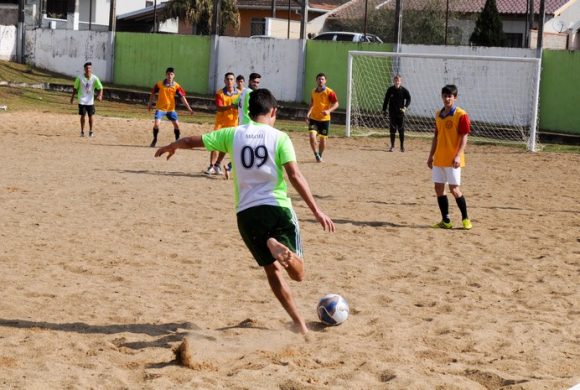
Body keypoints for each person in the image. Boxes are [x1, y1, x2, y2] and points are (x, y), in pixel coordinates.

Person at [155, 89, 335, 335]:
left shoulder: (233, 134)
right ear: (273, 112)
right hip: (277, 207)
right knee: (298, 273)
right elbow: (294, 175)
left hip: (247, 215)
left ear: (249, 112)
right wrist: (316, 210)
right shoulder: (280, 137)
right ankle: (282, 250)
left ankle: (300, 325)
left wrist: (172, 145)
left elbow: (190, 141)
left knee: (272, 271)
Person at [427, 84, 472, 230]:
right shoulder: (438, 114)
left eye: (450, 96)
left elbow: (464, 137)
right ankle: (446, 221)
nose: (447, 98)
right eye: (445, 96)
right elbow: (436, 137)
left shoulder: (461, 114)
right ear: (442, 97)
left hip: (453, 160)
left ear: (455, 98)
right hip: (439, 158)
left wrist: (458, 156)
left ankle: (466, 219)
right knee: (438, 188)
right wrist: (430, 156)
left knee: (454, 189)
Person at [204, 72, 240, 175]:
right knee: (214, 144)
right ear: (224, 81)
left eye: (231, 79)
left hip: (233, 124)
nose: (229, 81)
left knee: (225, 145)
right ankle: (211, 166)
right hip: (220, 123)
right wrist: (231, 107)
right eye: (227, 79)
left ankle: (217, 165)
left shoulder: (239, 93)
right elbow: (219, 107)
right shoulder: (220, 93)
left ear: (234, 81)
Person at [147, 67, 193, 148]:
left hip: (171, 109)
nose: (170, 75)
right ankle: (155, 139)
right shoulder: (159, 84)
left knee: (177, 126)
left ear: (174, 75)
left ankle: (178, 140)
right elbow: (153, 93)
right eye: (168, 74)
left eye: (171, 74)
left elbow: (182, 97)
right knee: (156, 124)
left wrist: (188, 108)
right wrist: (150, 103)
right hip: (160, 108)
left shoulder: (176, 86)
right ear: (165, 74)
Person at [306, 73, 339, 162]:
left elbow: (336, 104)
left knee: (323, 140)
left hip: (325, 120)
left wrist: (328, 111)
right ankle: (316, 154)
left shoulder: (329, 92)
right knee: (312, 136)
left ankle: (320, 155)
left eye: (322, 79)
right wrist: (308, 114)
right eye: (319, 79)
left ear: (325, 81)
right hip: (314, 118)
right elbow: (312, 103)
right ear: (316, 80)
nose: (321, 81)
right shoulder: (313, 91)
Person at [70, 62, 103, 138]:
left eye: (89, 68)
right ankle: (82, 131)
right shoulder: (80, 78)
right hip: (81, 100)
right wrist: (72, 98)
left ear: (91, 69)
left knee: (91, 116)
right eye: (87, 68)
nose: (88, 69)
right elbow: (75, 88)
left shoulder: (94, 78)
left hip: (90, 101)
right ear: (84, 69)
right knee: (82, 116)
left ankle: (91, 131)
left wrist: (100, 95)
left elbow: (100, 87)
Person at [382, 74, 411, 152]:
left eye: (398, 81)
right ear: (393, 81)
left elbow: (409, 99)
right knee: (392, 130)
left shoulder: (404, 91)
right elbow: (386, 100)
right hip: (392, 113)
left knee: (401, 130)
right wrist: (384, 110)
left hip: (400, 114)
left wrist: (405, 107)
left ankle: (402, 146)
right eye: (395, 80)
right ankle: (392, 146)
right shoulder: (390, 90)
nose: (397, 82)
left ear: (400, 82)